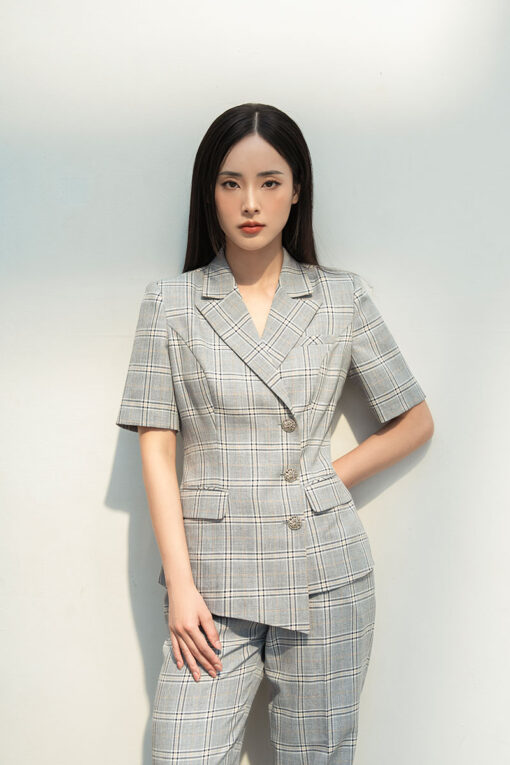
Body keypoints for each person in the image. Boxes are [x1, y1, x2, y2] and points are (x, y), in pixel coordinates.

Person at [115, 102, 434, 764]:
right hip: (210, 579)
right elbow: (157, 446)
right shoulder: (170, 303)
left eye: (269, 181)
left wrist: (323, 481)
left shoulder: (341, 298)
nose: (251, 202)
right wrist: (180, 584)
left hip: (325, 570)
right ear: (209, 193)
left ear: (296, 191)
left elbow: (414, 421)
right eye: (231, 183)